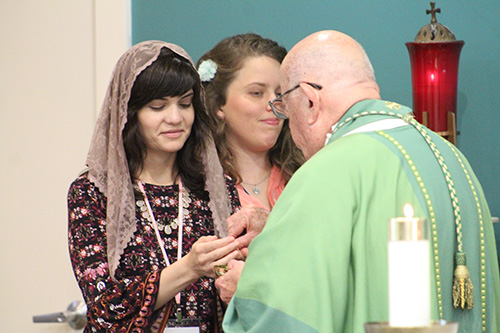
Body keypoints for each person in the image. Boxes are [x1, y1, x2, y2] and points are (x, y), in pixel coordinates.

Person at [222, 31, 500, 332]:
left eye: (288, 113)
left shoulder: (327, 169)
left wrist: (245, 291)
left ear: (311, 101)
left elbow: (285, 316)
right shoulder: (451, 156)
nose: (293, 135)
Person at [67, 41, 243, 332]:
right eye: (158, 106)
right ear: (129, 113)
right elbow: (104, 309)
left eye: (185, 104)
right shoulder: (93, 193)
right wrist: (189, 268)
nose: (175, 118)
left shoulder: (215, 189)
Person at [197, 33, 304, 212]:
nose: (274, 103)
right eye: (256, 93)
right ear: (219, 104)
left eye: (280, 94)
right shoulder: (197, 187)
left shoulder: (304, 176)